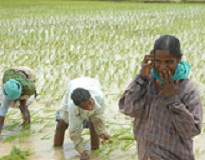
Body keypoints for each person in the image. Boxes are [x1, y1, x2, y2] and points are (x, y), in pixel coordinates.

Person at [119, 35, 203, 160]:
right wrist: (141, 77)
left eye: (169, 62)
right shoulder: (146, 81)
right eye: (158, 61)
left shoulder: (187, 90)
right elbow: (127, 109)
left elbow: (192, 131)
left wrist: (173, 99)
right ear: (152, 58)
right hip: (145, 155)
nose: (162, 67)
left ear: (179, 59)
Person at [54, 77, 112, 160]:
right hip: (73, 86)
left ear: (91, 97)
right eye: (84, 107)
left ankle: (95, 152)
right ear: (78, 106)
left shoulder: (99, 97)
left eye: (90, 103)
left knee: (93, 125)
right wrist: (82, 151)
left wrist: (102, 132)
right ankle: (57, 152)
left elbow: (98, 117)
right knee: (61, 124)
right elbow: (74, 132)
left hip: (91, 83)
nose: (90, 108)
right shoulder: (72, 106)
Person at [0, 66, 36, 131]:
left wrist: (26, 122)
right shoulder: (7, 90)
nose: (14, 101)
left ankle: (26, 127)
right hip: (13, 76)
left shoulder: (26, 89)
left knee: (23, 107)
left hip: (27, 73)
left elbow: (24, 108)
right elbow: (2, 114)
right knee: (2, 104)